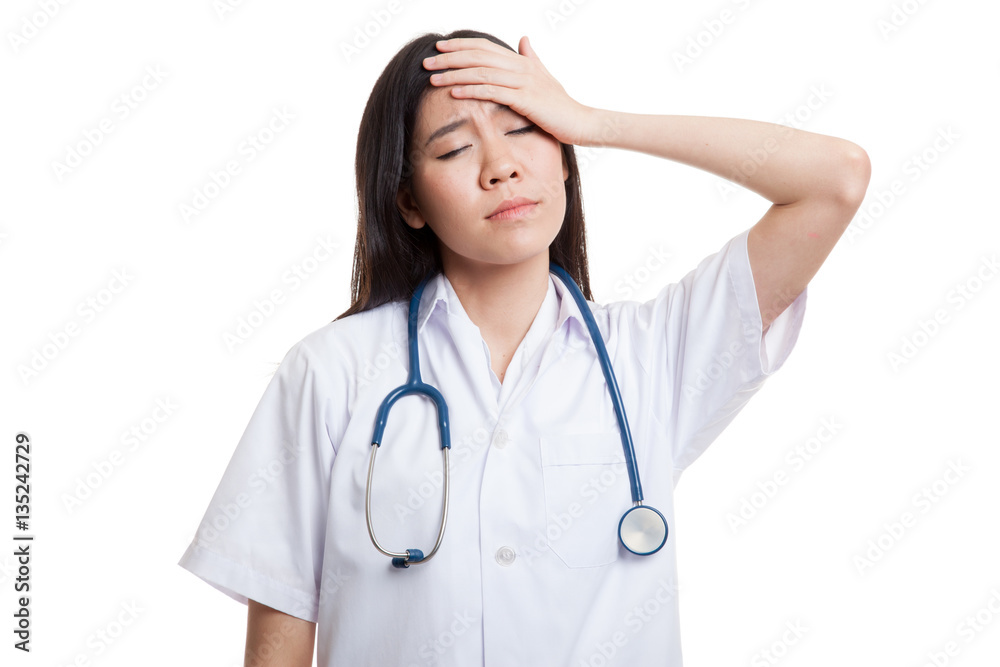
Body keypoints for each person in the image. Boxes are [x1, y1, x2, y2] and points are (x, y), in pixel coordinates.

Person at [178, 28, 870, 666]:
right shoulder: (331, 372)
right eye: (454, 149)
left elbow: (835, 179)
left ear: (564, 158)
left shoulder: (655, 355)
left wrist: (591, 121)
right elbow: (279, 644)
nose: (501, 166)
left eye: (524, 129)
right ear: (409, 201)